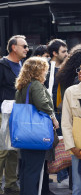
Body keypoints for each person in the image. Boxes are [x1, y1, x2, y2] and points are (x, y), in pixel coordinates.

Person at [14, 57, 59, 195]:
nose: (46, 72)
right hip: (36, 134)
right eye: (44, 70)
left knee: (26, 169)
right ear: (38, 70)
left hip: (24, 133)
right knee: (33, 170)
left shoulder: (23, 86)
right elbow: (42, 104)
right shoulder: (36, 85)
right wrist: (53, 117)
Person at [0, 35, 28, 194]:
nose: (27, 49)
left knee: (13, 149)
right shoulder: (2, 65)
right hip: (3, 111)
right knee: (3, 149)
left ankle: (10, 183)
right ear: (13, 47)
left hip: (18, 112)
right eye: (23, 46)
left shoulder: (22, 65)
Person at [61, 61, 81, 195]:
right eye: (79, 69)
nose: (80, 71)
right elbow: (66, 122)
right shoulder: (71, 91)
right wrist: (72, 147)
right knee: (78, 186)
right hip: (77, 144)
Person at [46, 38, 70, 184]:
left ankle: (63, 175)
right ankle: (58, 174)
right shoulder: (48, 69)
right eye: (63, 51)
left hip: (64, 111)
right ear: (54, 53)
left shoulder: (66, 68)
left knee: (64, 144)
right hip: (54, 112)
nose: (67, 54)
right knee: (56, 144)